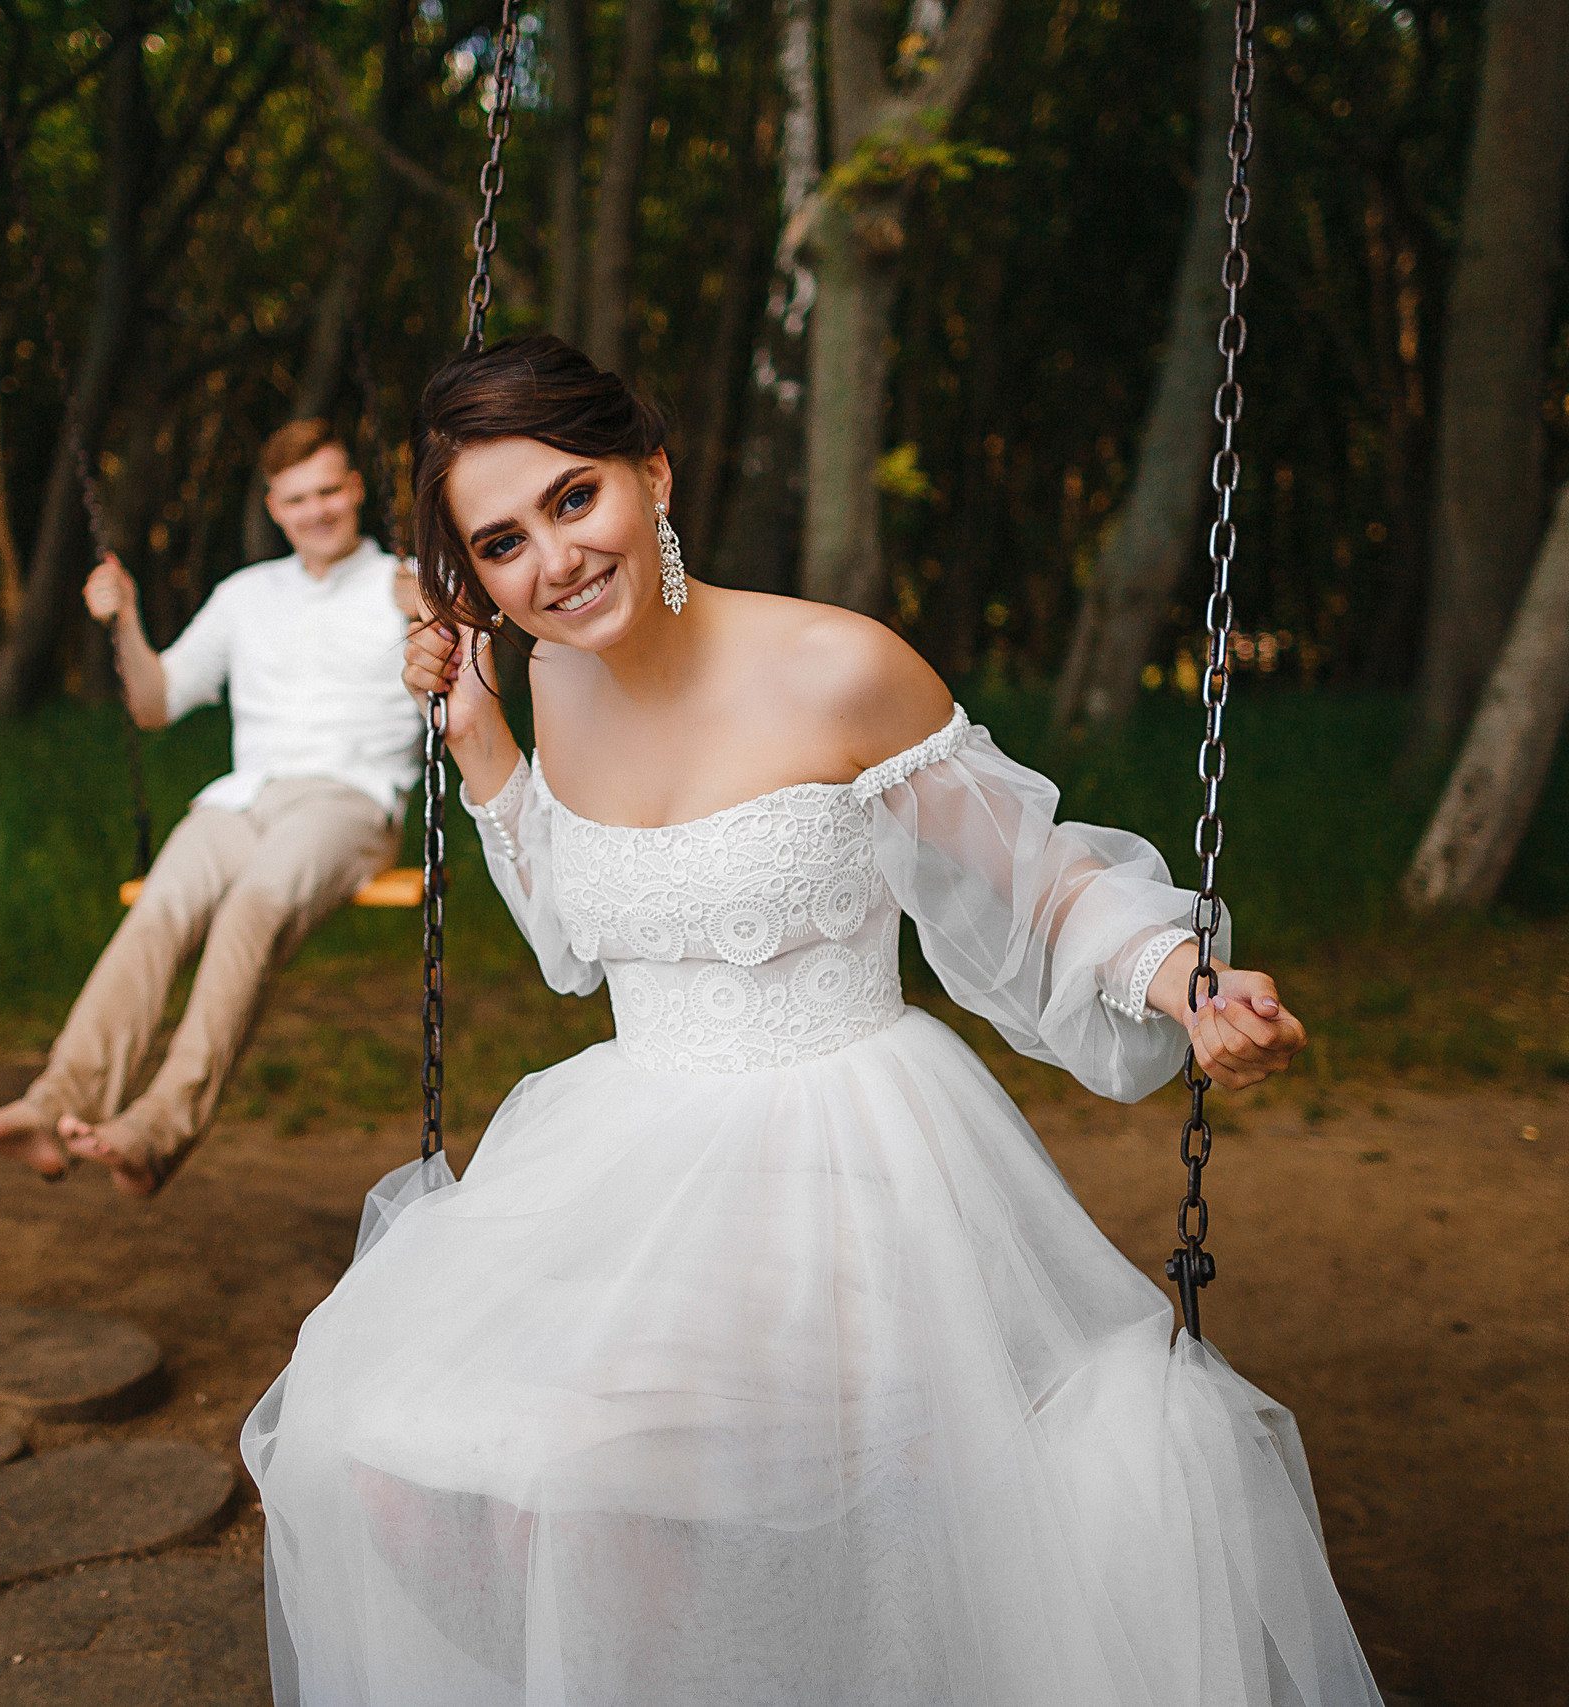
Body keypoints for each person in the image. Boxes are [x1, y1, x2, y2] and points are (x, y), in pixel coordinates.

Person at [243, 338, 1385, 1705]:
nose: (554, 560)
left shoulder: (837, 667)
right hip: (630, 1156)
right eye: (501, 543)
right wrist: (481, 741)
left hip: (839, 1172)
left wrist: (1186, 983)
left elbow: (1038, 882)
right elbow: (569, 944)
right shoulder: (552, 677)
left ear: (653, 476)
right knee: (370, 1447)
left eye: (573, 497)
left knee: (614, 1483)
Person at [0, 419, 422, 1197]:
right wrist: (126, 620)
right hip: (243, 797)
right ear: (275, 506)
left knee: (252, 906)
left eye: (330, 490)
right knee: (160, 906)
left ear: (356, 489)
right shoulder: (246, 595)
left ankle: (157, 1130)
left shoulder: (409, 583)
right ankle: (49, 1109)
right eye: (299, 498)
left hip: (349, 798)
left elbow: (459, 693)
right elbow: (156, 703)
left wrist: (432, 619)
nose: (318, 509)